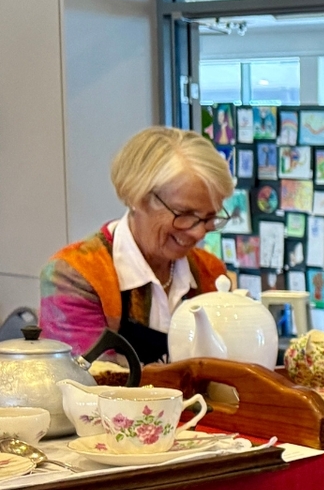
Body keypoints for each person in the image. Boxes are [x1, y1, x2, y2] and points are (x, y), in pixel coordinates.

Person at [40, 127, 235, 363]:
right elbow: (88, 383)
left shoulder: (209, 273)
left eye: (209, 218)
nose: (198, 232)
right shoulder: (75, 275)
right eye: (184, 213)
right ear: (136, 198)